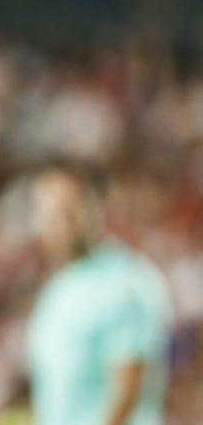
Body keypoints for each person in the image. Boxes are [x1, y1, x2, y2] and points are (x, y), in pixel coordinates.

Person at [27, 163, 173, 425]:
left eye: (66, 212)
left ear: (95, 209)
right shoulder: (57, 288)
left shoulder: (122, 283)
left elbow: (129, 388)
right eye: (46, 213)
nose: (55, 224)